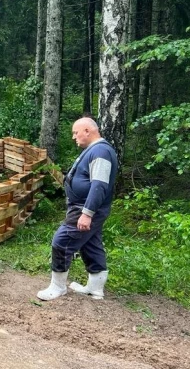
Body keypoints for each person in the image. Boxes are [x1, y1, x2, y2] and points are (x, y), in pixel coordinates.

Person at [37, 117, 118, 301]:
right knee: (91, 244)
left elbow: (99, 185)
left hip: (85, 208)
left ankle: (57, 287)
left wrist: (87, 213)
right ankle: (95, 288)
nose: (74, 137)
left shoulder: (101, 151)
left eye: (76, 132)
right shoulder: (95, 150)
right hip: (84, 206)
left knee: (62, 241)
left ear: (88, 131)